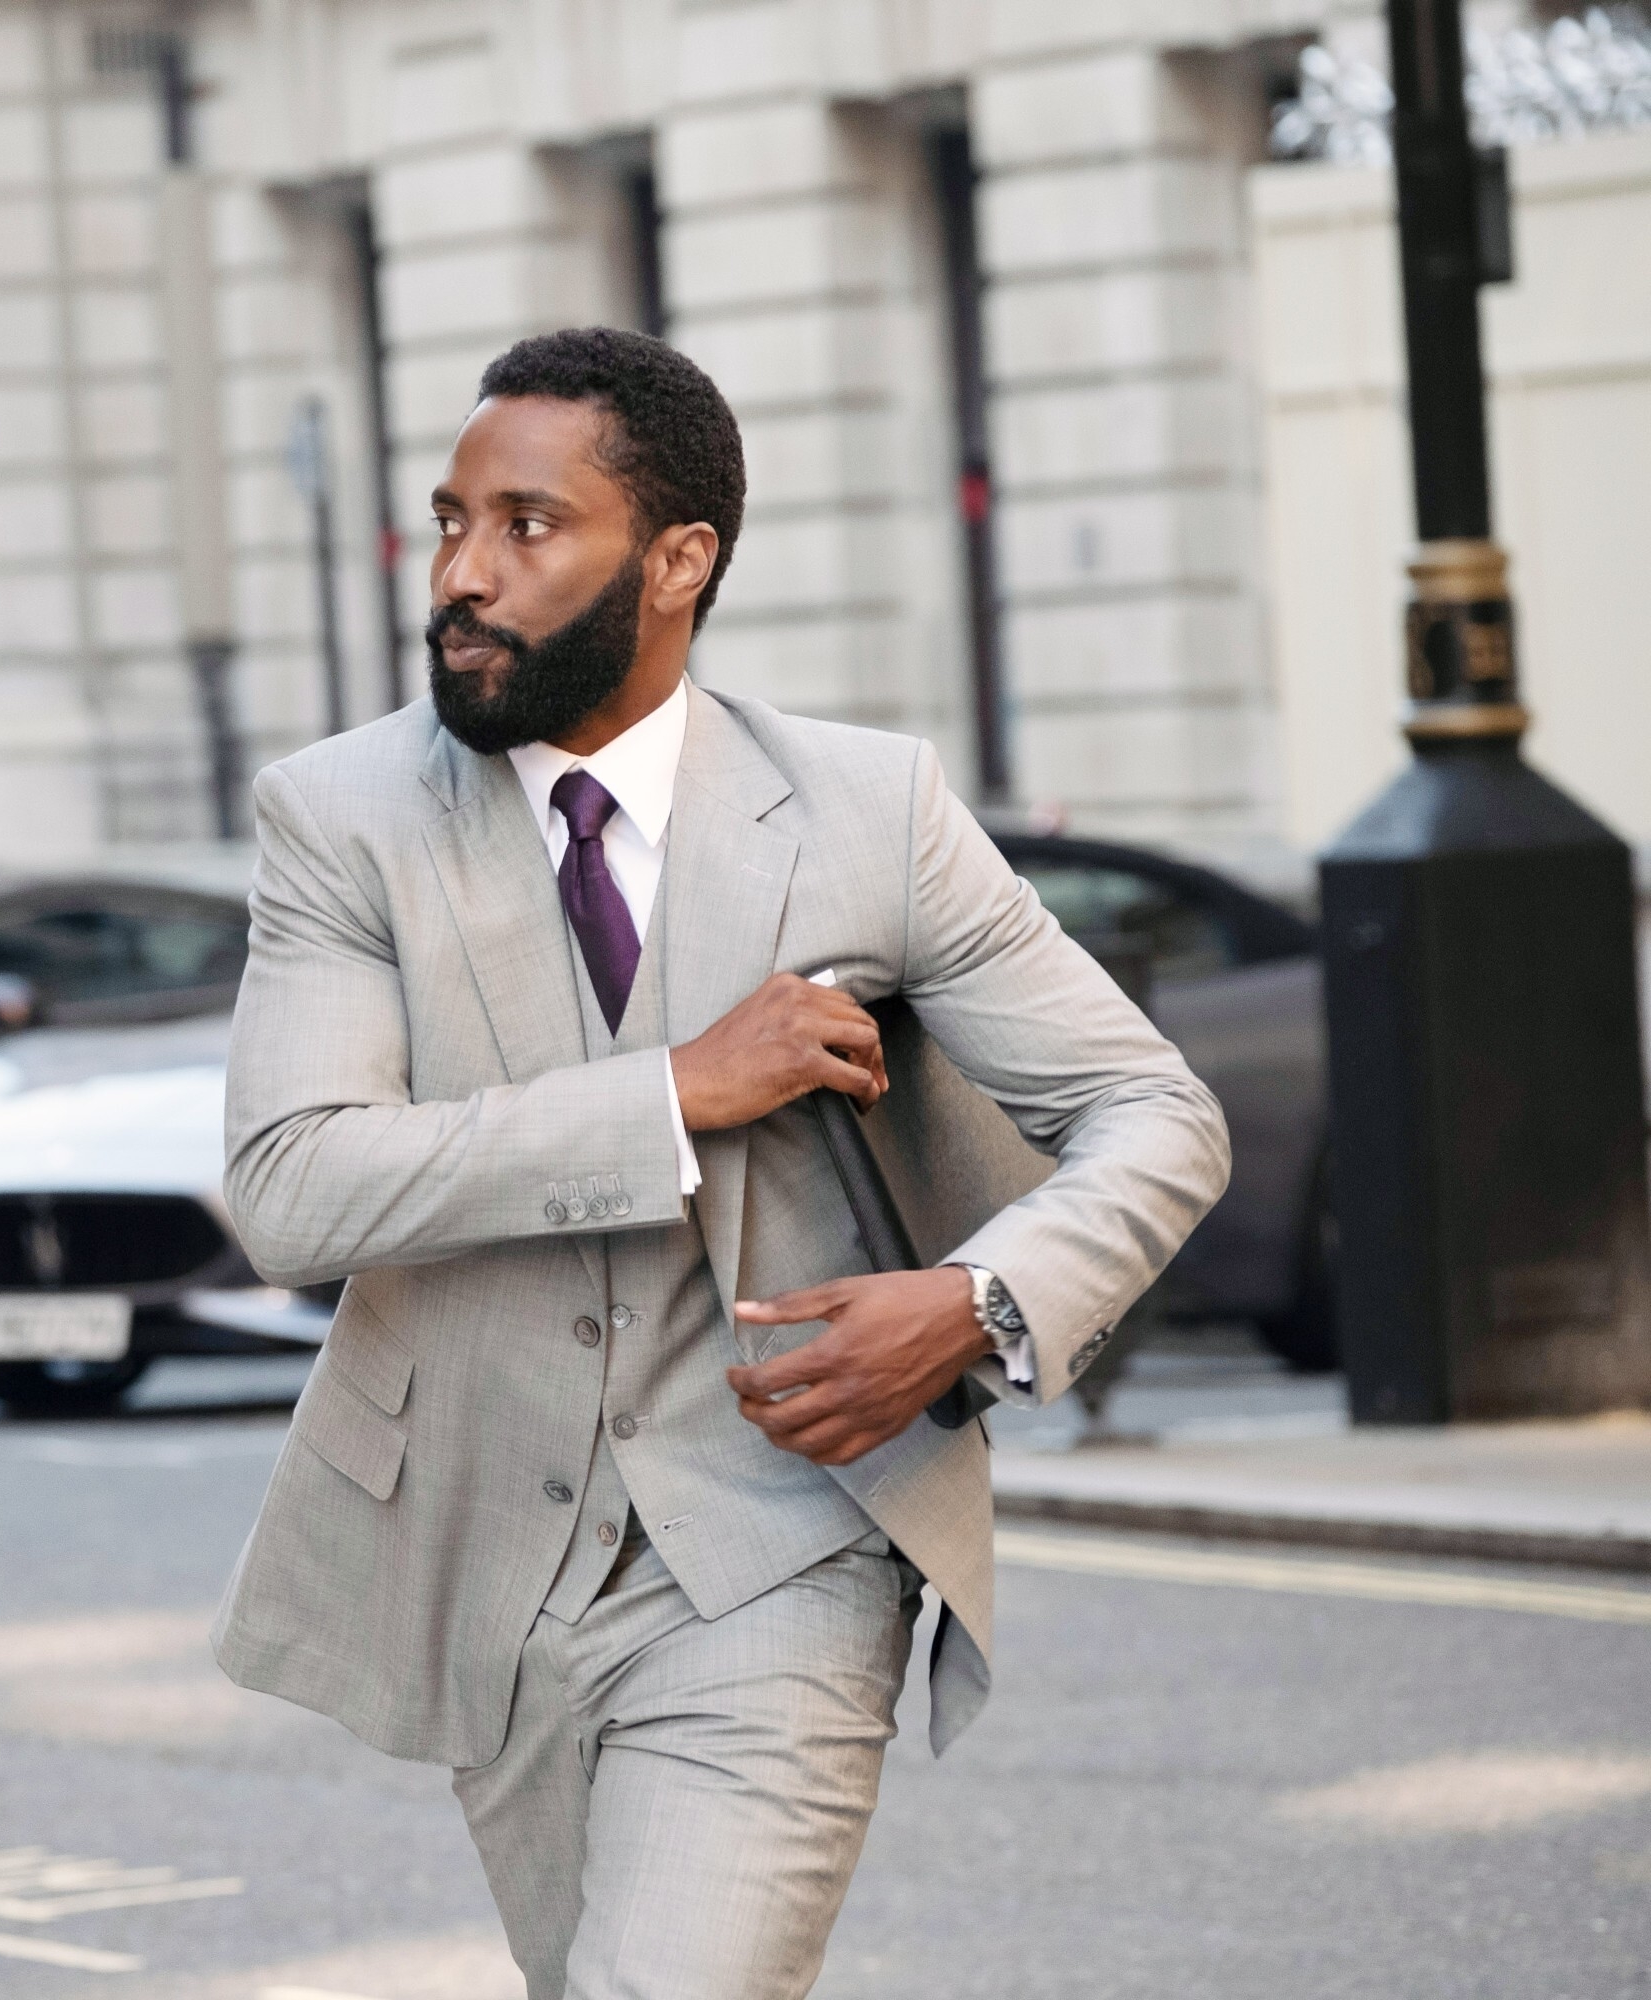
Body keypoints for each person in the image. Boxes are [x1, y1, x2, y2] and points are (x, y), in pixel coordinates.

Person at [210, 327, 1231, 2000]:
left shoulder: (864, 808)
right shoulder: (343, 819)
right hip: (489, 1562)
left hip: (783, 1544)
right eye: (450, 521)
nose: (463, 573)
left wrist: (977, 1305)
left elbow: (1155, 1113)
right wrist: (673, 1090)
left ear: (677, 561)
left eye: (528, 527)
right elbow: (291, 1186)